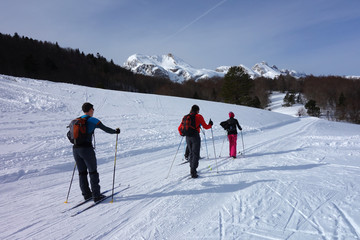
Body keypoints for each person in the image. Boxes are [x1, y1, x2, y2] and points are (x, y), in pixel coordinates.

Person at [72, 102, 120, 202]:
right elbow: (105, 128)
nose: (93, 111)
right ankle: (96, 195)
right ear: (90, 110)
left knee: (82, 173)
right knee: (93, 171)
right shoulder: (92, 120)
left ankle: (86, 194)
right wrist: (115, 131)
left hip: (76, 149)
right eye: (93, 109)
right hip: (86, 150)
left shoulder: (76, 120)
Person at [178, 105, 213, 178]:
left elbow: (179, 128)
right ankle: (193, 171)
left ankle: (192, 168)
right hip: (195, 136)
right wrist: (210, 124)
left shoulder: (186, 116)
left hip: (187, 137)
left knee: (191, 153)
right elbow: (206, 127)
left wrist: (182, 133)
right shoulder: (199, 116)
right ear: (197, 110)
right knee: (195, 153)